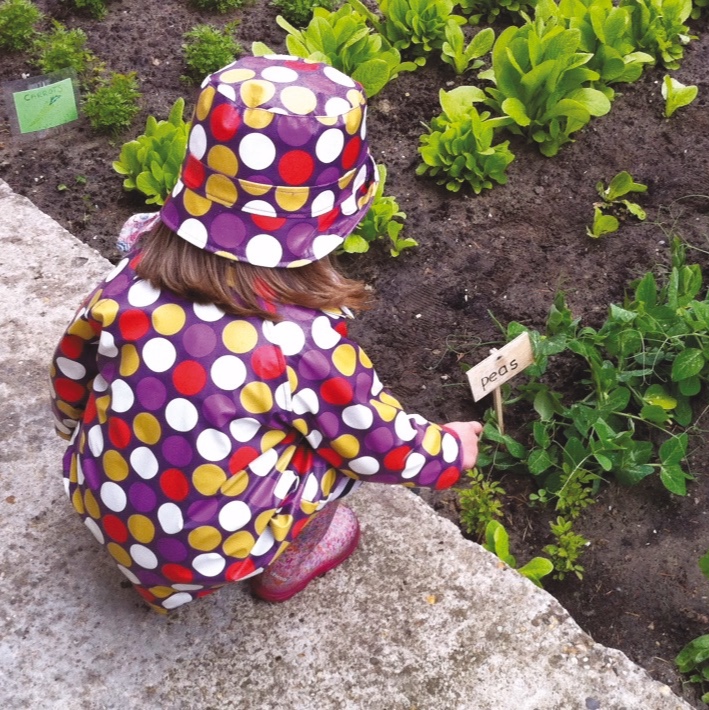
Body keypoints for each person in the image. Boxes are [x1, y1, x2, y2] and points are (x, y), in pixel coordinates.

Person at [49, 55, 483, 613]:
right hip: (207, 554)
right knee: (330, 448)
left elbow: (71, 371)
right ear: (333, 216)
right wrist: (450, 450)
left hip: (98, 497)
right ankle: (292, 559)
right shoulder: (301, 343)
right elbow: (379, 444)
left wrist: (80, 433)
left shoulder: (129, 279)